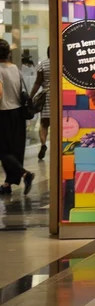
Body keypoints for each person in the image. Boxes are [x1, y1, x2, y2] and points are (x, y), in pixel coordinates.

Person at [0, 40, 34, 195]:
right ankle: (8, 184)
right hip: (18, 114)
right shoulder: (15, 68)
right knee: (15, 150)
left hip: (4, 113)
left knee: (3, 151)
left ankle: (25, 173)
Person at [30, 47, 50, 160]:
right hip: (60, 95)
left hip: (47, 95)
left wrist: (31, 96)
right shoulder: (63, 63)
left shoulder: (43, 64)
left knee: (44, 124)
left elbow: (38, 82)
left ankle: (43, 144)